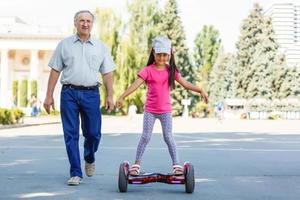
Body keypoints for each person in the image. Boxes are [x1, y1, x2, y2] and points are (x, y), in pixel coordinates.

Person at [115, 36, 208, 175]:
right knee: (145, 137)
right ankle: (137, 164)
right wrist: (122, 96)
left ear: (170, 54)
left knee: (168, 137)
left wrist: (200, 89)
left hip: (165, 111)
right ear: (154, 53)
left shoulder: (171, 70)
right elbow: (135, 85)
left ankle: (176, 164)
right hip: (150, 111)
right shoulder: (148, 70)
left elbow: (185, 84)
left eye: (165, 55)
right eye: (159, 54)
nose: (162, 58)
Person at [43, 10, 115, 186]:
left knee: (93, 133)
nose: (85, 24)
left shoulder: (100, 47)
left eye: (88, 21)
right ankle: (75, 172)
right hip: (69, 93)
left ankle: (89, 157)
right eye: (81, 20)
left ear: (92, 24)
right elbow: (55, 70)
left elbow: (107, 72)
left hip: (91, 94)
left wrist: (110, 95)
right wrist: (48, 95)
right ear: (75, 23)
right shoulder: (64, 45)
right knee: (71, 134)